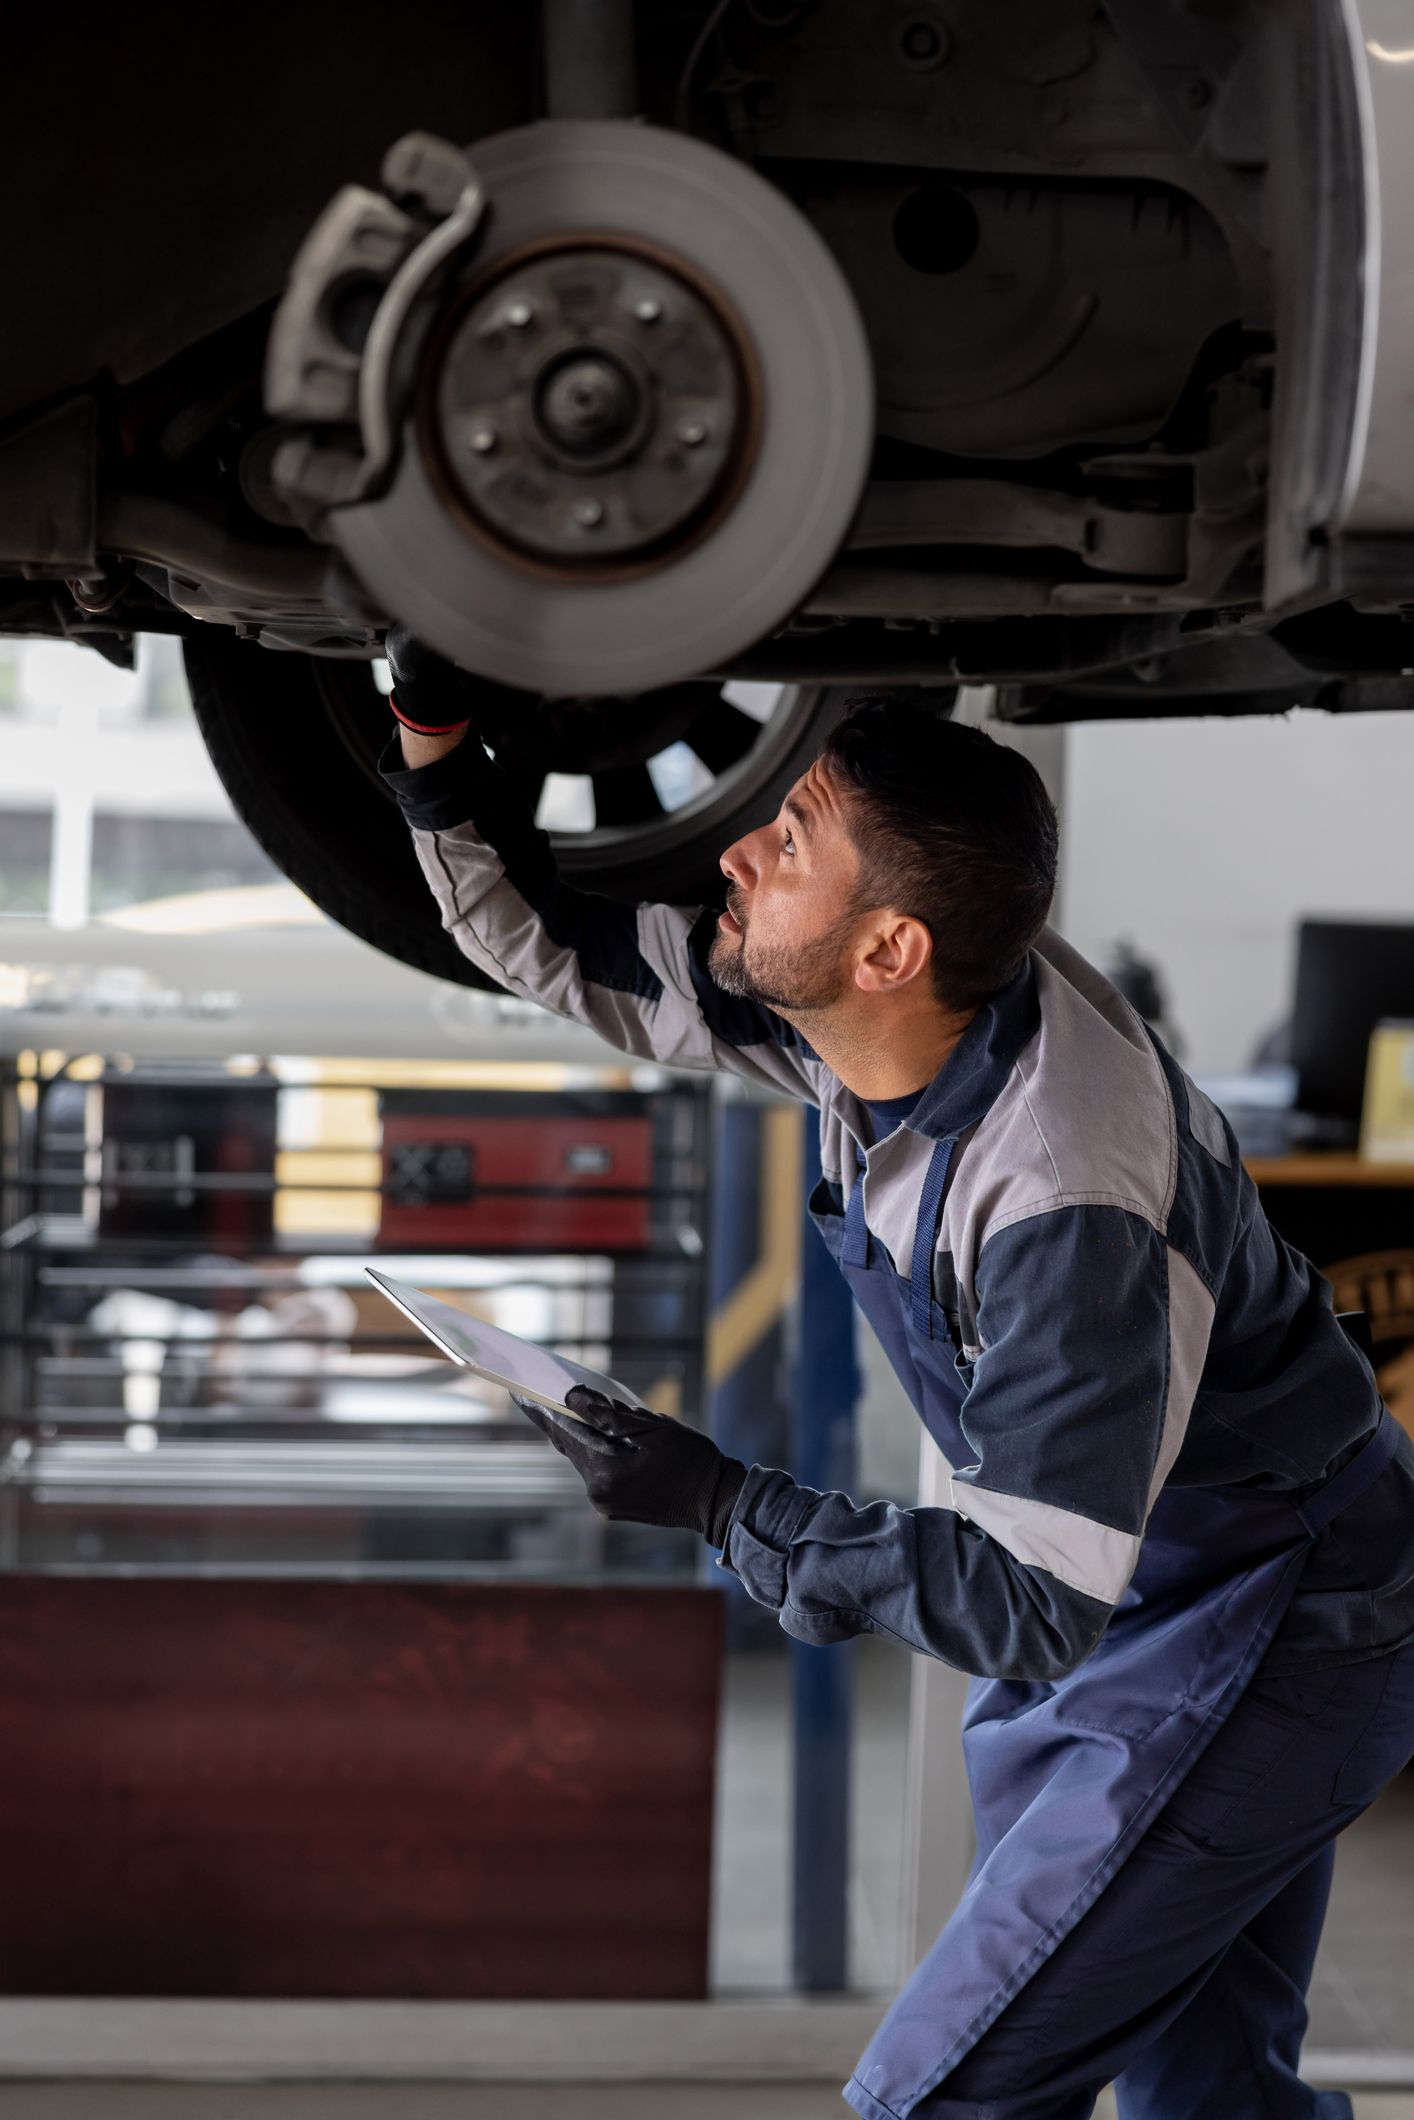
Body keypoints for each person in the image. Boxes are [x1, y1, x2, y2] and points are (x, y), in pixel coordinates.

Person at [379, 628, 1414, 2120]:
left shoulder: (1062, 1197)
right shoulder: (879, 1024)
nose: (739, 855)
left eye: (787, 838)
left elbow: (1031, 1599)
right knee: (1209, 2099)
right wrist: (432, 725)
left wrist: (724, 1502)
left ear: (886, 948)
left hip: (1269, 1625)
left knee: (939, 2096)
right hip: (1163, 1584)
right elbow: (549, 942)